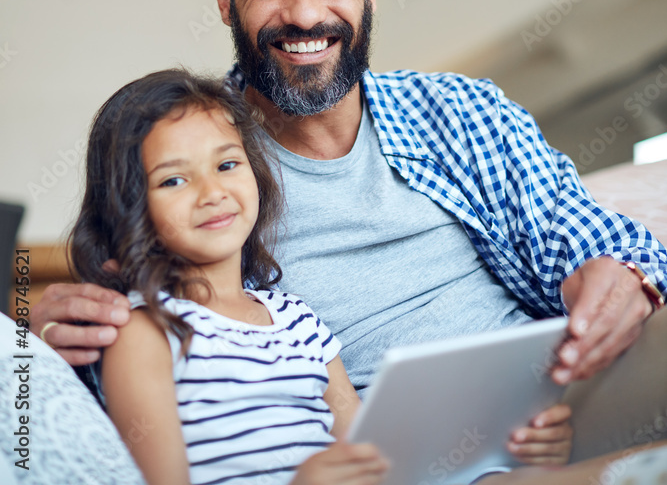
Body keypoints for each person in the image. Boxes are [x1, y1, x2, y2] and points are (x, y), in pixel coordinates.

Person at [35, 0, 666, 433]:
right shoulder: (187, 166)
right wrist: (32, 349)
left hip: (553, 421)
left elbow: (605, 243)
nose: (305, 14)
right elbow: (132, 351)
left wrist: (623, 276)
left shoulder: (460, 111)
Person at [67, 67, 572, 484]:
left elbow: (376, 461)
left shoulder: (296, 318)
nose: (211, 191)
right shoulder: (145, 333)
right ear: (129, 205)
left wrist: (511, 442)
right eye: (174, 179)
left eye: (227, 165)